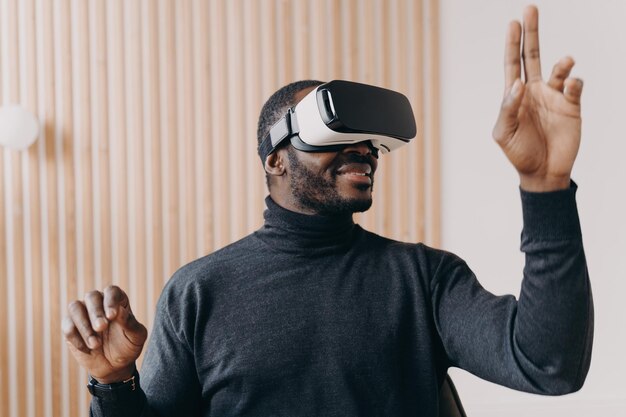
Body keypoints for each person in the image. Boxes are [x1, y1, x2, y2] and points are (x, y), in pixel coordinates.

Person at [62, 6, 593, 417]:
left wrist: (544, 187)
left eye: (368, 141)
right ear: (274, 157)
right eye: (335, 133)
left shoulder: (424, 279)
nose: (362, 148)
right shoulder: (198, 292)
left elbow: (550, 363)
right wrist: (113, 383)